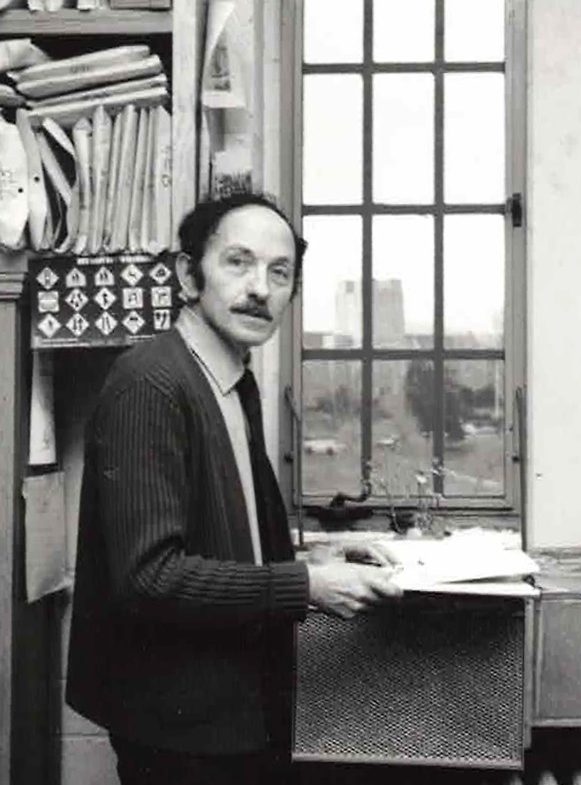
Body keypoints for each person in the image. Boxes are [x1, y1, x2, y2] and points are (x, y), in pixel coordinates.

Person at [66, 192, 402, 785]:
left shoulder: (228, 379)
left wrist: (311, 558)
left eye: (280, 273)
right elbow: (149, 577)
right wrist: (307, 585)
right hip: (180, 726)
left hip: (233, 712)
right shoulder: (151, 384)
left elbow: (221, 539)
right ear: (187, 274)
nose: (260, 289)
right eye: (238, 263)